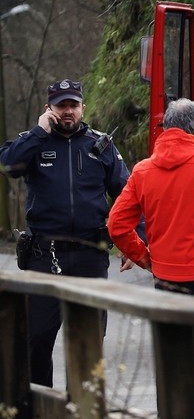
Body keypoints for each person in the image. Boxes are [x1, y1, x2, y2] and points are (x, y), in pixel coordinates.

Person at [0, 79, 130, 387]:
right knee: (37, 340)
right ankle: (38, 407)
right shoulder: (32, 143)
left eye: (73, 105)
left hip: (90, 256)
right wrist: (39, 131)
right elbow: (7, 166)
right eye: (61, 106)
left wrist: (131, 241)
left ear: (83, 108)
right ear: (49, 109)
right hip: (45, 258)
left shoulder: (101, 146)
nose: (68, 111)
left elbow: (127, 196)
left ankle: (80, 408)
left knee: (88, 342)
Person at [108, 98, 194, 367]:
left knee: (171, 351)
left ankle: (170, 406)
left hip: (165, 273)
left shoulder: (142, 170)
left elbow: (116, 225)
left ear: (166, 128)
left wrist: (144, 257)